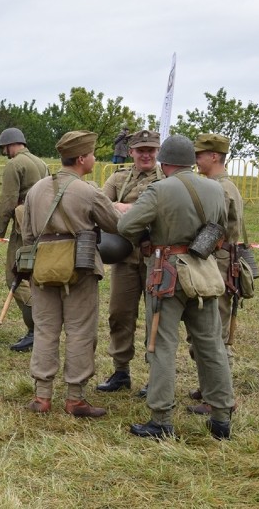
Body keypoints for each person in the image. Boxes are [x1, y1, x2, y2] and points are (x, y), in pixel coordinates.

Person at [118, 135, 235, 440]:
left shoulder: (159, 189)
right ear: (192, 161)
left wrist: (147, 237)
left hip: (165, 273)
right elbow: (220, 226)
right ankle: (222, 416)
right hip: (204, 272)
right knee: (211, 344)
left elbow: (126, 226)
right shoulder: (215, 187)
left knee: (161, 345)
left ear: (163, 161)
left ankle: (161, 419)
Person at [22, 131, 119, 418]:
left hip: (41, 266)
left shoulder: (36, 190)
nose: (94, 158)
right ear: (81, 158)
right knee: (79, 331)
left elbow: (27, 233)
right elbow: (115, 224)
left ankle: (42, 395)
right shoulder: (89, 191)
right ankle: (75, 399)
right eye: (91, 154)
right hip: (80, 267)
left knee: (45, 330)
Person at [96, 130, 163, 393]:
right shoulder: (118, 177)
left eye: (151, 150)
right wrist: (123, 208)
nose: (146, 154)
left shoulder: (167, 178)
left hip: (155, 258)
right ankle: (120, 371)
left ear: (157, 152)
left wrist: (125, 208)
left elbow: (165, 211)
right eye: (141, 150)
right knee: (120, 314)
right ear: (131, 151)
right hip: (124, 256)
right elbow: (100, 206)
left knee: (155, 316)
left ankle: (156, 375)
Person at [188, 133, 245, 415]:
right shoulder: (220, 185)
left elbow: (211, 230)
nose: (195, 160)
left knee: (215, 333)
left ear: (214, 156)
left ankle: (219, 398)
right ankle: (209, 387)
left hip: (219, 262)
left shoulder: (220, 189)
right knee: (207, 330)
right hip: (220, 260)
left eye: (199, 155)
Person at [0, 128, 49, 351]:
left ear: (10, 145)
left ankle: (36, 329)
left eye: (3, 148)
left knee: (15, 276)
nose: (3, 152)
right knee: (34, 278)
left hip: (23, 229)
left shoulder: (14, 165)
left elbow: (7, 201)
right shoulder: (41, 163)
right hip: (42, 227)